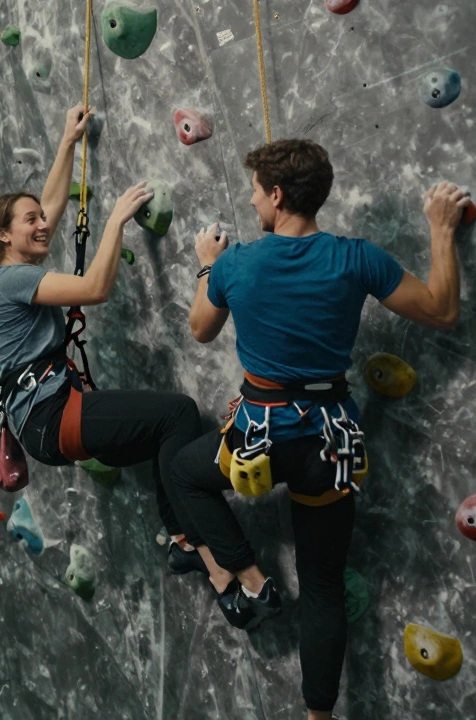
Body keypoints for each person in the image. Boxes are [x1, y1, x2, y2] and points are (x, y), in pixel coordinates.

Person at [168, 138, 468, 720]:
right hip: (328, 444)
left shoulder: (237, 263)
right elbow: (442, 310)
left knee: (183, 472)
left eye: (257, 190)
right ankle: (319, 718)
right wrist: (439, 227)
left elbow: (200, 328)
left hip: (257, 434)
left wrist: (207, 262)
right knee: (325, 587)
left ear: (277, 195)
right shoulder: (356, 258)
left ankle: (249, 576)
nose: (253, 200)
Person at [0, 104, 207, 575]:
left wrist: (66, 142)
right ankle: (186, 535)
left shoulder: (15, 268)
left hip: (47, 419)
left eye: (39, 218)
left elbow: (53, 206)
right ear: (3, 234)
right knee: (178, 413)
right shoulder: (10, 279)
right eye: (29, 221)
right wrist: (115, 220)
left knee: (166, 436)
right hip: (49, 415)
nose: (43, 225)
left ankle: (183, 537)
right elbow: (95, 289)